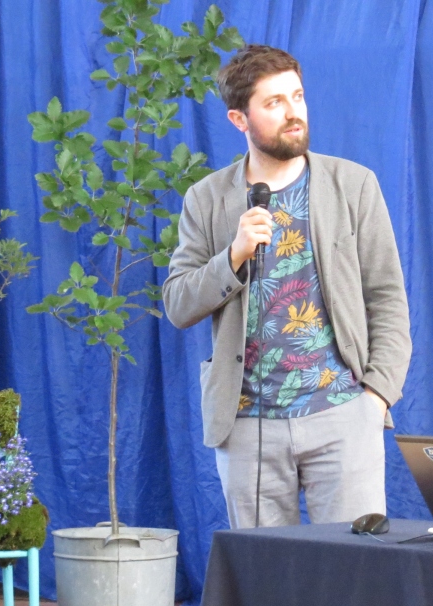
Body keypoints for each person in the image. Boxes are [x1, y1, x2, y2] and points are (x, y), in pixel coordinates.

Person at [161, 45, 412, 528]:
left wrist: (376, 395)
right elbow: (177, 304)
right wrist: (233, 256)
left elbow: (387, 297)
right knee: (263, 570)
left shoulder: (353, 185)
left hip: (343, 413)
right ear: (239, 119)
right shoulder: (206, 199)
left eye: (297, 96)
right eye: (274, 102)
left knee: (355, 566)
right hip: (247, 424)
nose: (293, 112)